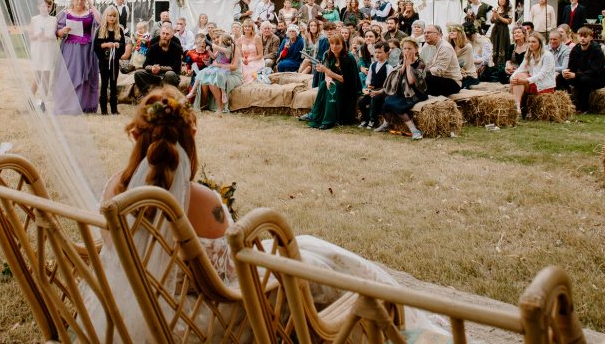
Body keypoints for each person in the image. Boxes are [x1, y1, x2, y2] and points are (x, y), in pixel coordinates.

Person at [96, 87, 452, 341]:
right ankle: (394, 319)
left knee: (309, 249)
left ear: (137, 135)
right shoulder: (200, 200)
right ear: (190, 138)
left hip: (145, 307)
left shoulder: (114, 188)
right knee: (321, 270)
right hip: (207, 319)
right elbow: (231, 274)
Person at [56, 0, 101, 113]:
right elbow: (57, 32)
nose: (79, 1)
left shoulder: (90, 13)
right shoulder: (65, 13)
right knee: (70, 74)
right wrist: (63, 31)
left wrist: (91, 4)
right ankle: (67, 105)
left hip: (86, 48)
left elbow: (100, 21)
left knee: (85, 75)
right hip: (70, 47)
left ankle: (84, 105)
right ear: (72, 0)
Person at [305, 34, 361, 130]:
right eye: (332, 43)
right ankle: (315, 115)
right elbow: (326, 71)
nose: (334, 46)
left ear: (343, 44)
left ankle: (329, 121)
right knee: (323, 85)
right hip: (334, 81)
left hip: (347, 86)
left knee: (333, 88)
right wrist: (328, 79)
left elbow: (346, 79)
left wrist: (327, 72)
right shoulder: (327, 54)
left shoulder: (348, 58)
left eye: (337, 44)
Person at [373, 38, 427, 140]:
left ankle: (414, 130)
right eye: (404, 48)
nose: (406, 51)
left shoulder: (420, 63)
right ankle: (386, 124)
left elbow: (411, 81)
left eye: (409, 48)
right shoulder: (402, 60)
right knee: (386, 103)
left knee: (398, 106)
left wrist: (408, 65)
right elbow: (399, 75)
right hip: (403, 90)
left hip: (415, 92)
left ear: (416, 49)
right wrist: (404, 64)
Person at [562, 27, 605, 113]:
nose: (582, 38)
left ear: (591, 37)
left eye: (585, 36)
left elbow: (596, 71)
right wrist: (567, 73)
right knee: (561, 77)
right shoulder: (575, 49)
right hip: (581, 75)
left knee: (583, 80)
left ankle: (582, 108)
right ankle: (565, 103)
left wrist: (576, 75)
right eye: (580, 36)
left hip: (597, 78)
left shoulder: (596, 50)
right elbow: (571, 67)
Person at [509, 32, 556, 117]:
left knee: (520, 80)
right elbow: (521, 68)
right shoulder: (529, 54)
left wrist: (526, 80)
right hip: (532, 82)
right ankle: (518, 107)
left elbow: (542, 74)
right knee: (518, 76)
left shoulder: (547, 55)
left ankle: (517, 107)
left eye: (534, 42)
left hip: (543, 85)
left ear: (540, 43)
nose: (531, 44)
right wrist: (512, 78)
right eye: (529, 42)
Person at [94, 5, 129, 115]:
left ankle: (114, 108)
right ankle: (104, 108)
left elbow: (123, 45)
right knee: (104, 84)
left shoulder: (119, 30)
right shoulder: (101, 30)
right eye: (110, 16)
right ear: (106, 16)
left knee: (114, 83)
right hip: (104, 61)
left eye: (114, 16)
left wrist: (117, 46)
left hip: (114, 61)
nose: (112, 18)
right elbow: (96, 46)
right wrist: (105, 45)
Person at [193, 34, 241, 112]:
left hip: (232, 73)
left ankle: (220, 107)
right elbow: (215, 58)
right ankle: (204, 104)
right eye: (215, 38)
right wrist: (209, 63)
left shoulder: (234, 49)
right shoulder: (220, 48)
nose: (217, 40)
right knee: (204, 79)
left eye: (218, 38)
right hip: (220, 70)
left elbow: (234, 67)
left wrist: (217, 65)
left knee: (213, 81)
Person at [133, 21, 183, 96]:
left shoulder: (177, 48)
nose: (165, 36)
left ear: (171, 36)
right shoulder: (153, 46)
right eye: (163, 33)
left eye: (167, 34)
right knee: (138, 73)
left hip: (169, 75)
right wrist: (152, 68)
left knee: (170, 74)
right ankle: (147, 95)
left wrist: (160, 68)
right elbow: (145, 65)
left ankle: (167, 95)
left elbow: (176, 68)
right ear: (160, 33)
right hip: (155, 75)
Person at [28, 0, 58, 104]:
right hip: (37, 50)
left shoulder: (54, 20)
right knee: (37, 76)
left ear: (51, 7)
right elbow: (31, 36)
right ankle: (31, 100)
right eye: (43, 6)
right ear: (38, 7)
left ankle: (43, 102)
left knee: (46, 76)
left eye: (48, 6)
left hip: (48, 50)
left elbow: (54, 36)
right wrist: (38, 36)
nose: (46, 8)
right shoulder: (34, 19)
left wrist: (47, 37)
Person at [420, 25, 462, 97]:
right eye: (425, 33)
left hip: (452, 82)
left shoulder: (445, 47)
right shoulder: (426, 46)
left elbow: (440, 70)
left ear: (437, 34)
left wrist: (423, 71)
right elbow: (422, 62)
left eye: (429, 32)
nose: (426, 35)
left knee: (424, 78)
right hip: (438, 78)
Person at [358, 41, 390, 129]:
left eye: (380, 52)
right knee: (361, 102)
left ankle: (373, 120)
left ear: (386, 53)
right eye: (376, 52)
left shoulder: (388, 67)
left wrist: (379, 92)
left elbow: (388, 84)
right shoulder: (373, 65)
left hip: (382, 91)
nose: (377, 54)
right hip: (373, 89)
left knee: (375, 100)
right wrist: (368, 85)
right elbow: (368, 78)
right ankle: (365, 119)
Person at [488, 0, 513, 73]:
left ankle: (502, 66)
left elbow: (508, 21)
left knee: (502, 46)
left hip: (503, 30)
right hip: (496, 30)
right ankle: (494, 65)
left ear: (506, 1)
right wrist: (493, 15)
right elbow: (492, 21)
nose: (501, 1)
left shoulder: (509, 10)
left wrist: (498, 16)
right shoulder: (496, 8)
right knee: (494, 46)